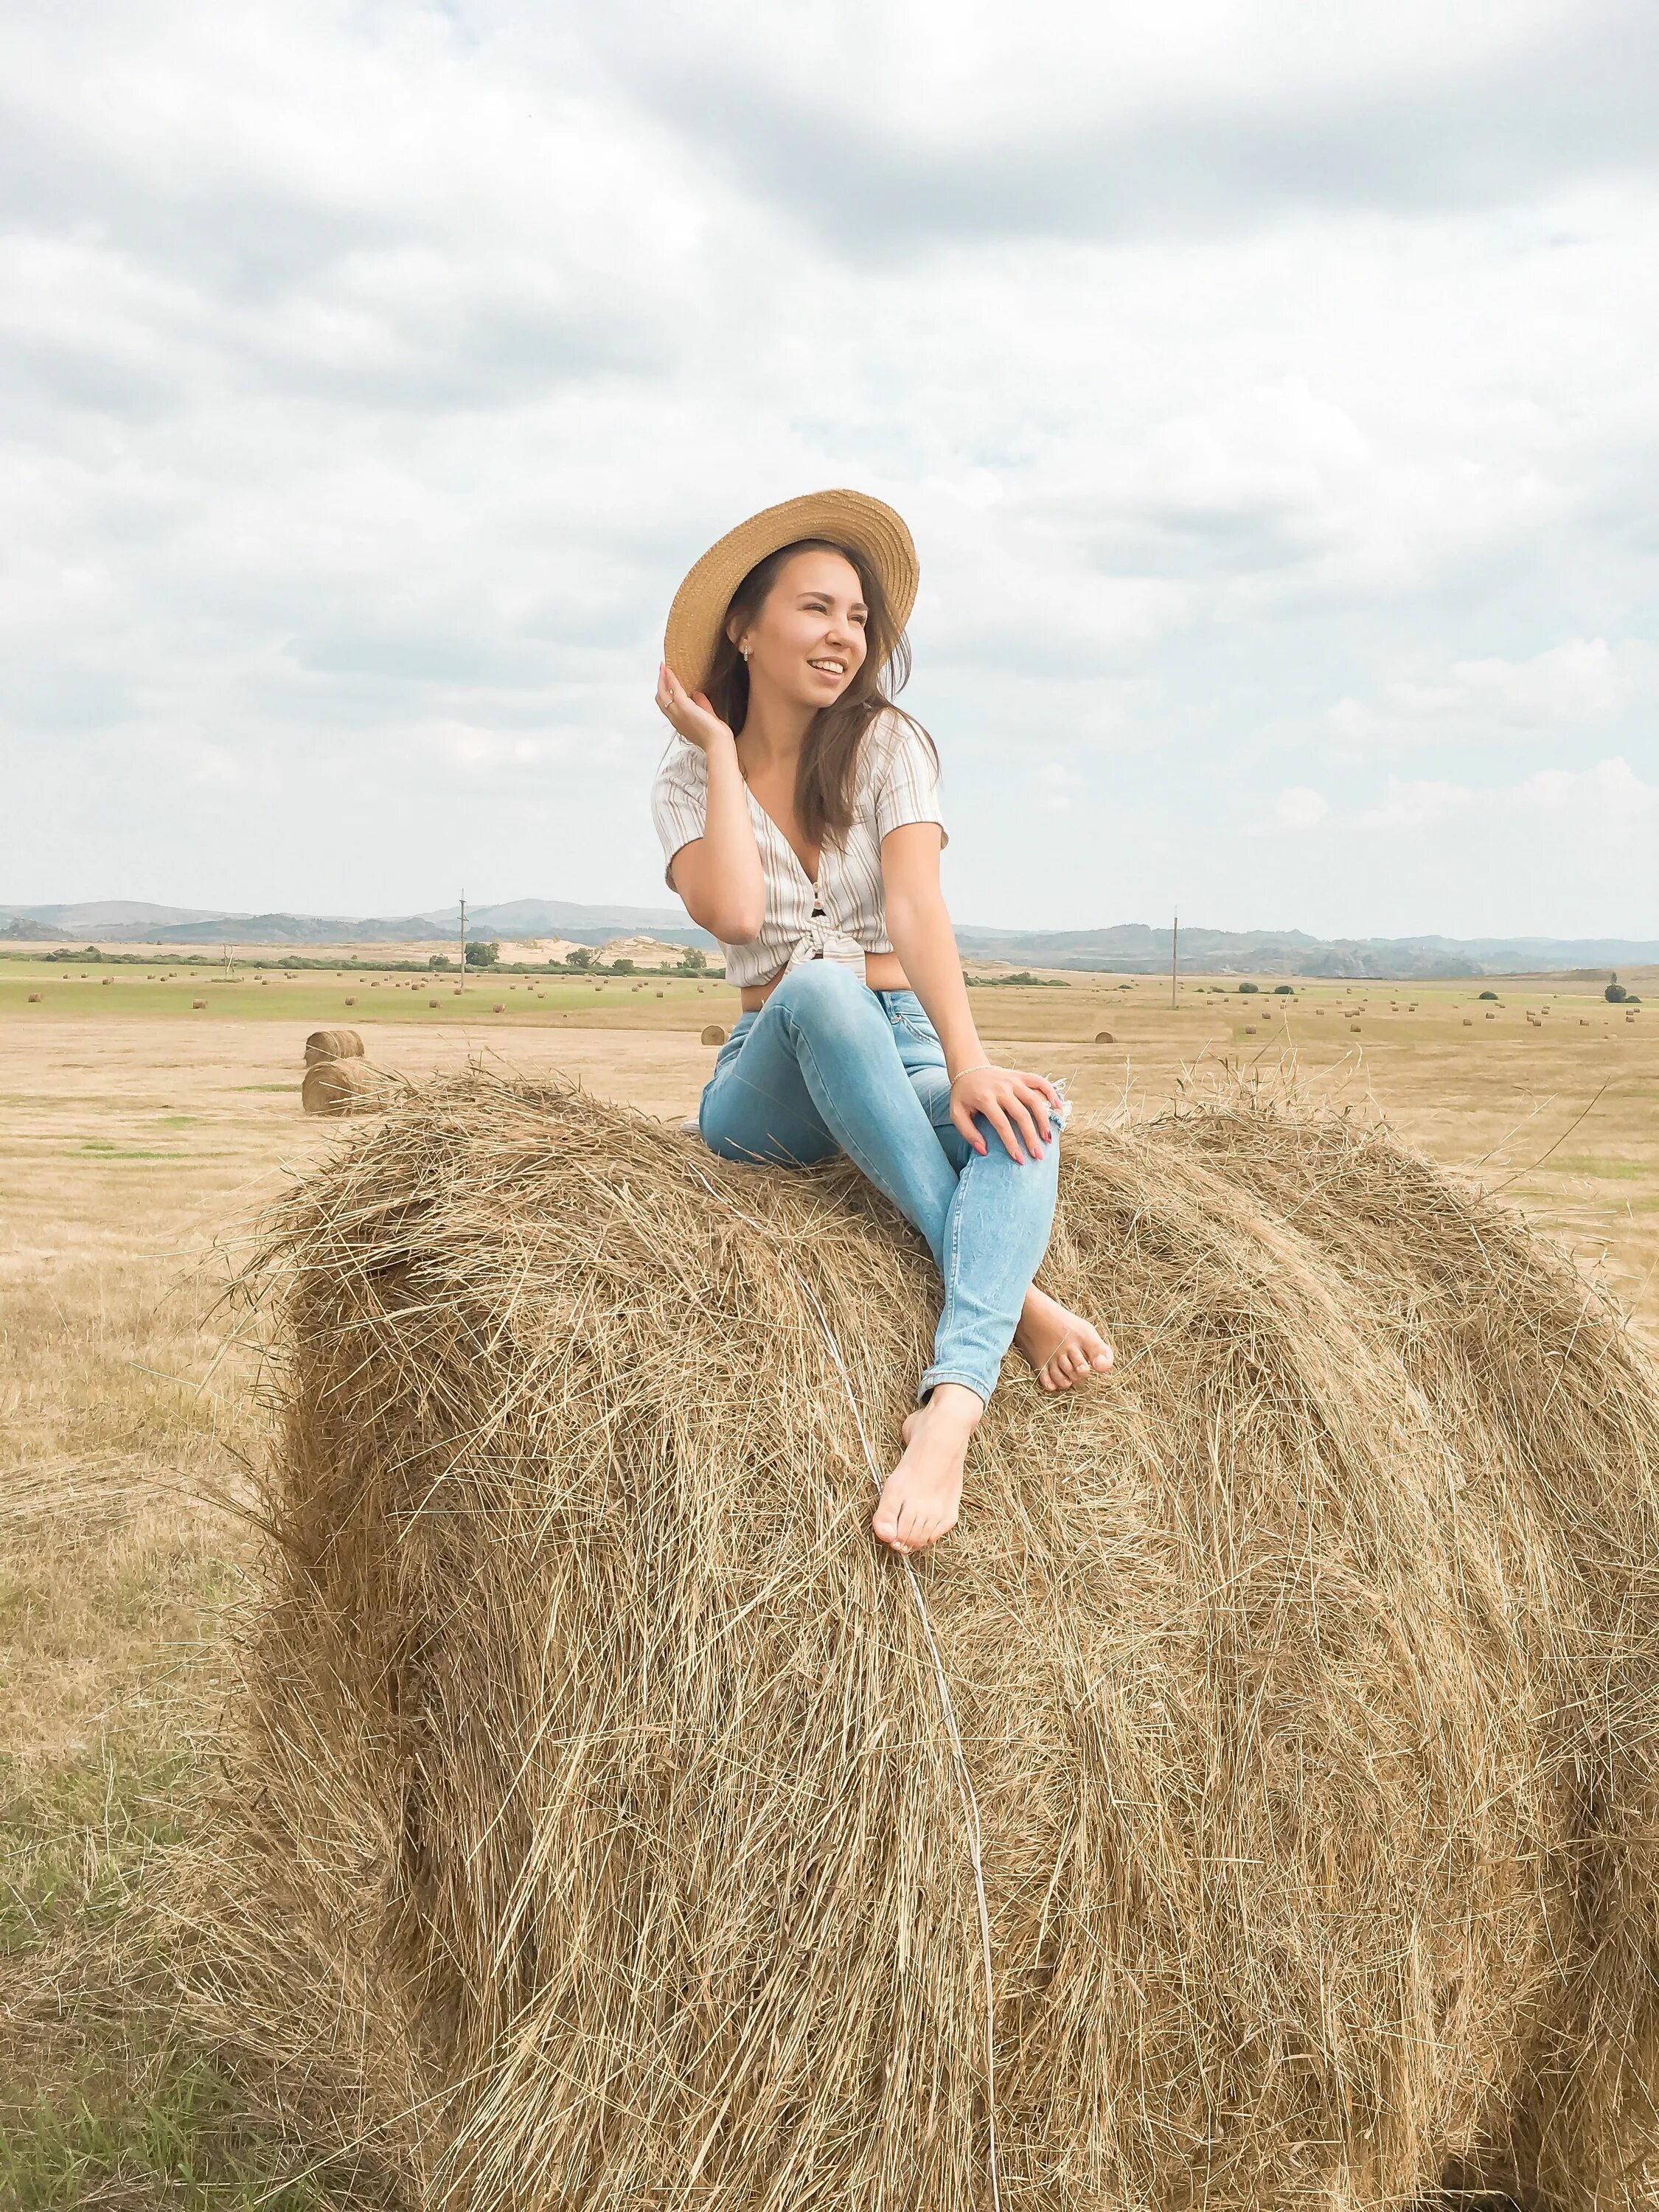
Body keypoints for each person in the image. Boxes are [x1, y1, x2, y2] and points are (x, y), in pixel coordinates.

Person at [653, 490, 1113, 1557]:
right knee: (819, 984)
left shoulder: (889, 744)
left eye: (857, 619)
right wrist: (720, 755)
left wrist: (970, 1064)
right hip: (769, 1079)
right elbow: (730, 914)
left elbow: (914, 908)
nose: (842, 637)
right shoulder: (685, 777)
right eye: (815, 610)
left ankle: (950, 1405)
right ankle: (1011, 1294)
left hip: (898, 1044)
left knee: (1025, 1119)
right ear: (743, 626)